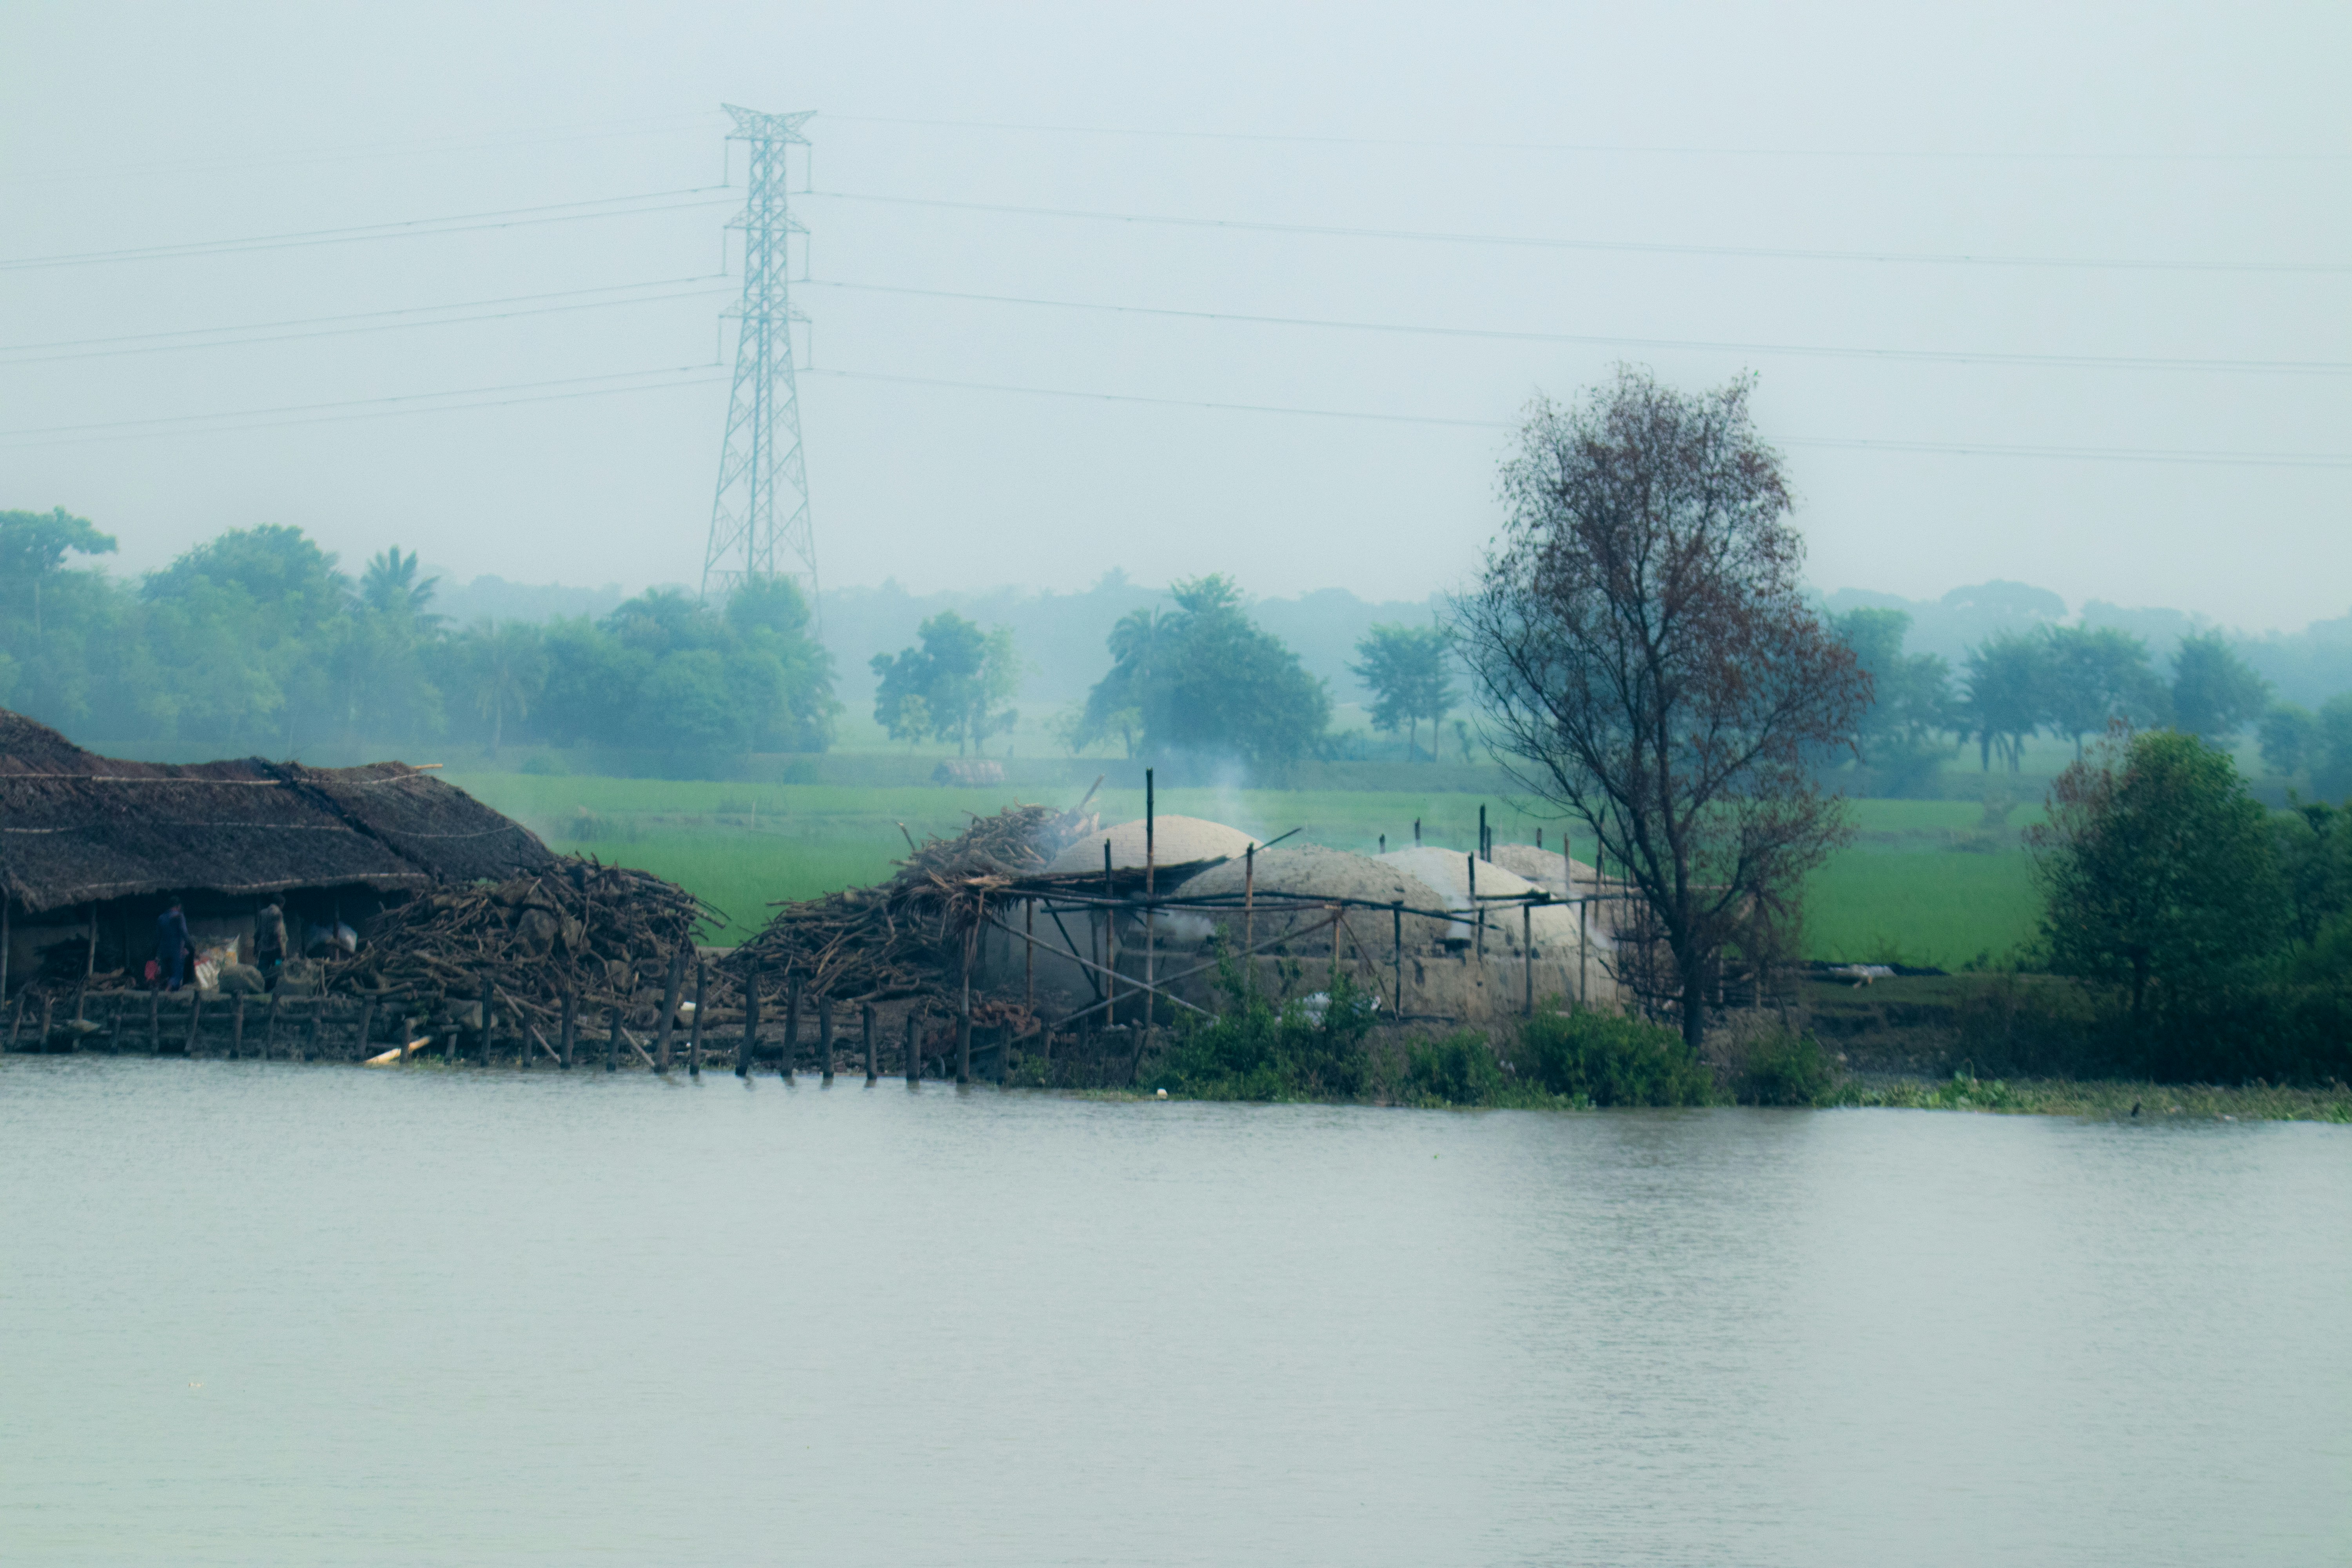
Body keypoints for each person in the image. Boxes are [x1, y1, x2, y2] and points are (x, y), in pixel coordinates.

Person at [156, 899, 192, 992]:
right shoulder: (180, 916)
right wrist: (190, 945)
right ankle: (167, 992)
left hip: (164, 951)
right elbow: (184, 933)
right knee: (177, 975)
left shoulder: (161, 918)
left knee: (168, 975)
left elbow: (157, 937)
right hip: (176, 951)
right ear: (179, 906)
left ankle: (168, 997)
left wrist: (157, 953)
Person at [254, 902, 288, 991]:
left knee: (261, 970)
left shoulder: (262, 913)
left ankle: (259, 988)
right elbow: (278, 934)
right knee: (278, 969)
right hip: (276, 950)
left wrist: (255, 948)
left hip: (264, 949)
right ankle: (274, 989)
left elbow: (258, 933)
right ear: (281, 903)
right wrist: (283, 950)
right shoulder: (278, 914)